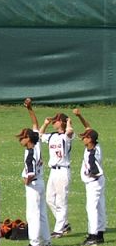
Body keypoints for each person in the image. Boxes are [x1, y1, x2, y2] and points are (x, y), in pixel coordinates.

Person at [26, 98, 74, 237]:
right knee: (49, 199)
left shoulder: (67, 137)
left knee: (61, 201)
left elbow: (69, 131)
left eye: (56, 120)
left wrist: (69, 122)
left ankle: (59, 230)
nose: (54, 122)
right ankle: (64, 223)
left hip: (63, 170)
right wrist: (45, 124)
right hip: (53, 171)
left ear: (62, 122)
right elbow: (39, 136)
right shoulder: (52, 136)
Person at [73, 109, 106, 246]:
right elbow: (88, 127)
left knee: (92, 208)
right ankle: (100, 234)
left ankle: (93, 236)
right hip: (99, 182)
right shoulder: (96, 145)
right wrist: (79, 116)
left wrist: (91, 173)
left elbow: (96, 170)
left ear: (90, 139)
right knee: (100, 206)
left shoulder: (92, 154)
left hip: (94, 182)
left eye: (85, 137)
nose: (82, 138)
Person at [16, 124, 50, 246]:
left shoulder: (30, 153)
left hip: (34, 186)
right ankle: (46, 241)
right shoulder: (37, 147)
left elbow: (31, 173)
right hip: (40, 183)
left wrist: (26, 181)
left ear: (28, 138)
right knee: (42, 214)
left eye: (22, 138)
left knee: (32, 215)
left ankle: (34, 244)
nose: (20, 140)